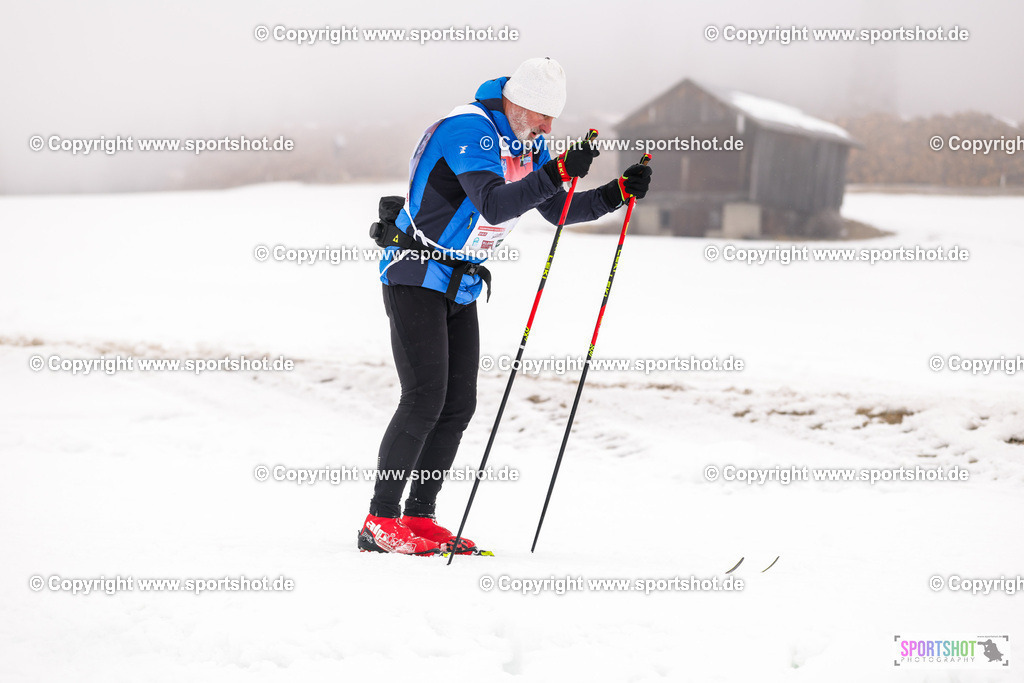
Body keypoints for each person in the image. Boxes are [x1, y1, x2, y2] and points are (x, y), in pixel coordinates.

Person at [358, 57, 653, 555]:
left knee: (458, 404)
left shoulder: (528, 143)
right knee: (424, 397)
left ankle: (419, 517)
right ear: (517, 103)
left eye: (553, 119)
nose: (548, 128)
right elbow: (494, 203)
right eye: (542, 116)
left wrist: (615, 192)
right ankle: (379, 520)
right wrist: (558, 171)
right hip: (414, 271)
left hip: (460, 282)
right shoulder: (467, 129)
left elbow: (557, 209)